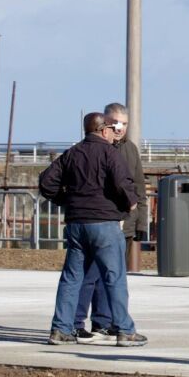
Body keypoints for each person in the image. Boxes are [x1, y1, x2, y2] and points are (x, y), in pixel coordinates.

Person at [38, 112, 146, 346]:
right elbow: (123, 182)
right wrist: (130, 201)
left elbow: (46, 182)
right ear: (104, 130)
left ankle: (60, 329)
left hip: (77, 224)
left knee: (71, 277)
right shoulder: (110, 153)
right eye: (112, 128)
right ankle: (125, 331)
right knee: (114, 277)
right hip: (104, 223)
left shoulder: (72, 153)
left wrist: (66, 200)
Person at [73, 102, 145, 340]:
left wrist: (140, 222)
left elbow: (137, 187)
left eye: (124, 124)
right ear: (105, 123)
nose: (119, 128)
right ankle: (76, 321)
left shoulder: (129, 150)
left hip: (122, 223)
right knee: (89, 276)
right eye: (115, 122)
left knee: (113, 278)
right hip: (101, 221)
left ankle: (104, 322)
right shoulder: (97, 148)